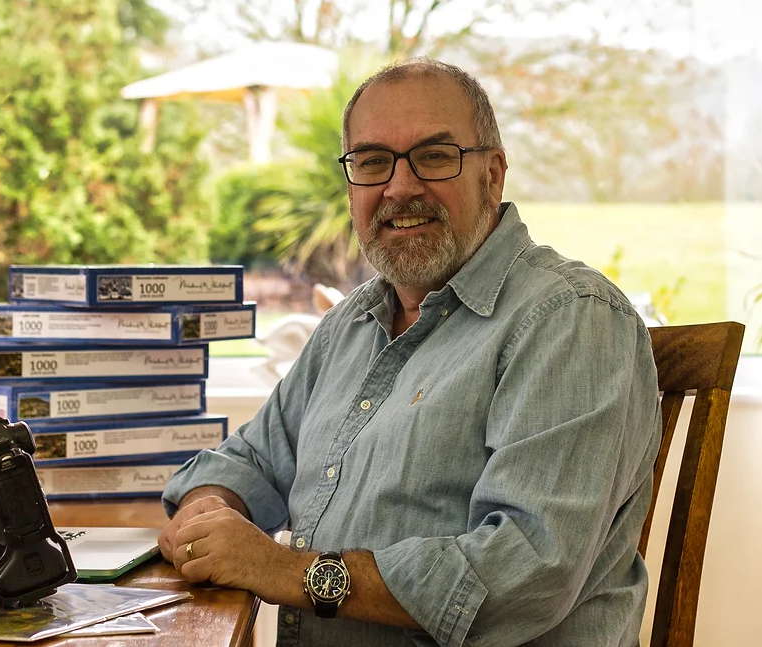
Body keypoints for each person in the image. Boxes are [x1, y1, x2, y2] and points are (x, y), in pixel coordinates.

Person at [158, 58, 661, 647]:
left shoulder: (570, 319)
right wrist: (206, 510)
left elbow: (524, 571)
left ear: (493, 175)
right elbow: (252, 460)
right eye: (372, 162)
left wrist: (281, 569)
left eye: (434, 156)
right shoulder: (352, 323)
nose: (400, 187)